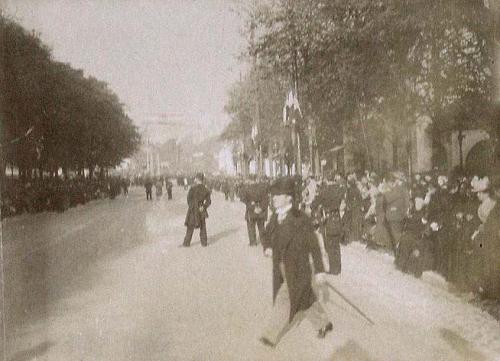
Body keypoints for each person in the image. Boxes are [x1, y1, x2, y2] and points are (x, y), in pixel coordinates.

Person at [260, 177, 332, 347]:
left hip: (299, 269)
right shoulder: (275, 217)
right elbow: (264, 234)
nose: (273, 198)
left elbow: (314, 246)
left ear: (289, 198)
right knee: (304, 300)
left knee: (284, 298)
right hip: (281, 267)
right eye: (273, 195)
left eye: (278, 195)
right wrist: (268, 246)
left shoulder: (301, 219)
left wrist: (320, 271)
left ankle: (270, 336)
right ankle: (324, 323)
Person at [182, 172, 212, 247]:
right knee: (203, 226)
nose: (194, 179)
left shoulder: (192, 188)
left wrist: (191, 206)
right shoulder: (206, 189)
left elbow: (188, 199)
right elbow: (209, 201)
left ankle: (186, 243)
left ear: (197, 179)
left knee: (190, 227)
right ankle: (204, 243)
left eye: (195, 178)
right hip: (201, 209)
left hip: (192, 210)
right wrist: (204, 206)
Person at [240, 175, 269, 246]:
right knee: (261, 226)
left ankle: (253, 242)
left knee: (251, 226)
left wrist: (253, 207)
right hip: (261, 211)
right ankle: (263, 241)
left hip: (251, 210)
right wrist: (261, 208)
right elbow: (266, 199)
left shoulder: (246, 188)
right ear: (256, 179)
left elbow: (243, 199)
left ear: (249, 180)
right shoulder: (263, 188)